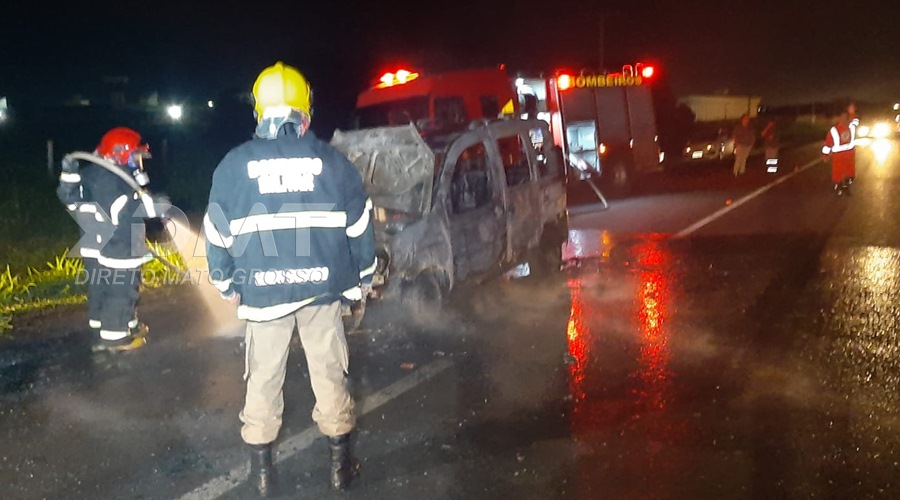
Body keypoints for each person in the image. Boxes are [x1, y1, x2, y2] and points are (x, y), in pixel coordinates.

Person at [203, 61, 375, 496]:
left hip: (263, 297)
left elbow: (216, 235)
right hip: (322, 291)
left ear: (259, 112)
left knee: (262, 378)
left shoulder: (232, 166)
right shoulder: (334, 163)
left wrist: (225, 284)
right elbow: (359, 228)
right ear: (305, 112)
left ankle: (263, 477)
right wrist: (362, 280)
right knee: (329, 371)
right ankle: (340, 468)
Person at [56, 127, 157, 351]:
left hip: (95, 247)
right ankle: (116, 337)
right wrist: (148, 196)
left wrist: (68, 174)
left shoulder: (91, 173)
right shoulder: (121, 182)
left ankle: (105, 325)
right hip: (120, 248)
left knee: (100, 287)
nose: (139, 162)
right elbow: (144, 211)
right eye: (135, 156)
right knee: (122, 291)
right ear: (120, 153)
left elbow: (69, 198)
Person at [822, 110, 860, 196]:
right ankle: (838, 187)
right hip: (839, 156)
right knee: (838, 173)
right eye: (842, 117)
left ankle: (845, 186)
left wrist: (852, 113)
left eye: (846, 117)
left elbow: (856, 120)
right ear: (839, 119)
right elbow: (828, 144)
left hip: (849, 155)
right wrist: (825, 155)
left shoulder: (851, 126)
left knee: (850, 173)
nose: (844, 119)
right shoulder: (834, 130)